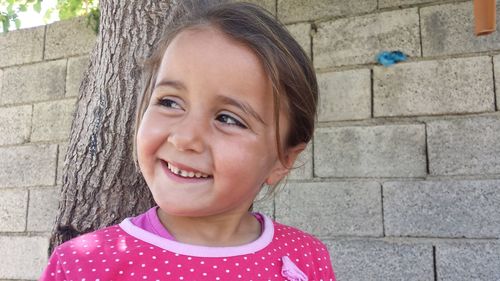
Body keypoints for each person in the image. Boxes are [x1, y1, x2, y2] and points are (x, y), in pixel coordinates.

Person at [40, 2, 335, 280]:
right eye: (169, 102)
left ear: (284, 159)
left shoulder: (306, 258)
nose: (184, 138)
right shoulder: (82, 265)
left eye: (228, 119)